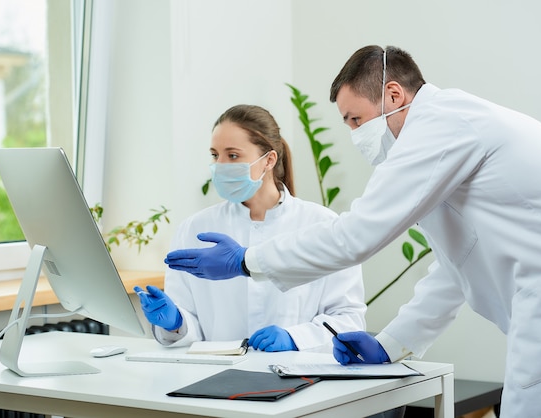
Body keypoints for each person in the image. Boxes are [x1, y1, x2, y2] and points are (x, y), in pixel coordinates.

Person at [164, 45, 541, 418]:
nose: (355, 134)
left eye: (355, 118)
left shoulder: (444, 126)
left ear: (394, 95)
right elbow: (454, 268)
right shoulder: (452, 133)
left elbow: (355, 236)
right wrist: (392, 343)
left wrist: (246, 261)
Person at [135, 104, 367, 353]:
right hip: (216, 379)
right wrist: (176, 323)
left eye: (232, 156)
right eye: (215, 155)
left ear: (268, 160)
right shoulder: (194, 229)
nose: (220, 165)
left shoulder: (321, 224)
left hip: (297, 375)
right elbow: (190, 326)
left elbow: (348, 319)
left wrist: (296, 338)